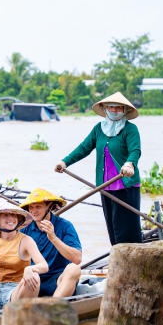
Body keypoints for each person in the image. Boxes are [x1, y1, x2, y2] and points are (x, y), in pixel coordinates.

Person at [55, 91, 142, 245]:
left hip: (125, 184)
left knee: (127, 226)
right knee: (113, 226)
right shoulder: (98, 129)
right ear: (105, 108)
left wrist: (129, 164)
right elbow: (83, 148)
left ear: (125, 110)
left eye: (118, 108)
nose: (114, 111)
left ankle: (133, 256)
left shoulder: (130, 129)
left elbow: (135, 150)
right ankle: (116, 256)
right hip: (105, 185)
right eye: (111, 107)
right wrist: (64, 162)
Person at [0, 202, 48, 311]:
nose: (11, 218)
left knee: (35, 277)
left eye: (14, 215)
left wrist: (30, 268)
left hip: (14, 292)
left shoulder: (26, 240)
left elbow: (44, 266)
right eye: (6, 215)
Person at [19, 188, 82, 298]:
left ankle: (53, 306)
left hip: (58, 281)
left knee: (74, 269)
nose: (34, 211)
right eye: (31, 208)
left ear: (49, 207)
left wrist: (53, 237)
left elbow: (77, 259)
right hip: (34, 279)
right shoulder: (25, 229)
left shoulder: (65, 225)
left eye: (38, 207)